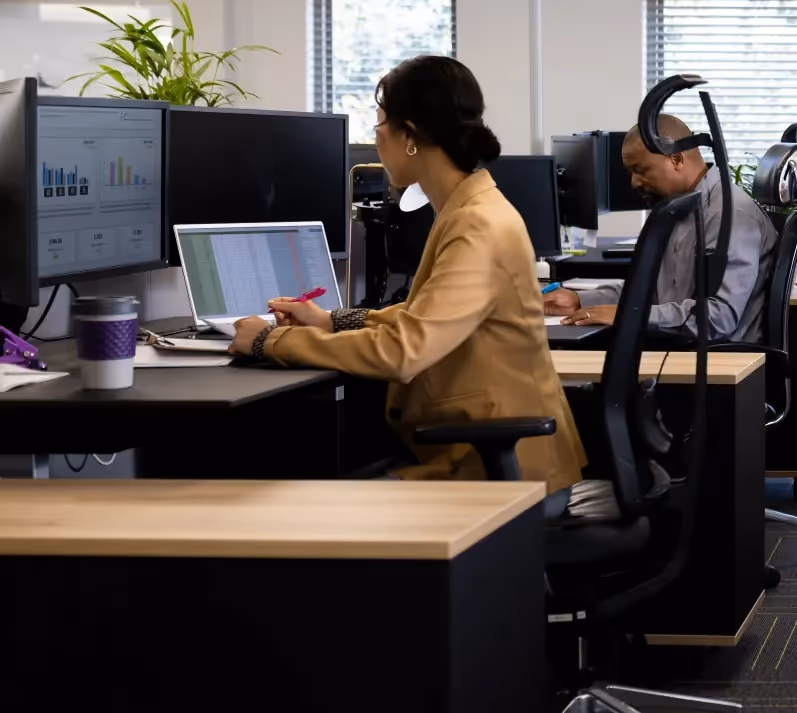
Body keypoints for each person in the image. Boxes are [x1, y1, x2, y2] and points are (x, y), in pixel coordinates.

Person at [229, 55, 586, 489]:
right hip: (493, 460)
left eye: (380, 126)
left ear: (411, 136)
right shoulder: (469, 209)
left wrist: (269, 340)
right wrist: (329, 321)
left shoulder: (477, 224)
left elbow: (405, 351)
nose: (376, 139)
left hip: (500, 475)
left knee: (302, 504)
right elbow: (427, 317)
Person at [544, 120, 777, 342]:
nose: (634, 182)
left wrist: (627, 315)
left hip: (717, 359)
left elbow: (719, 318)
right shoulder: (681, 209)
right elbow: (653, 292)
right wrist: (579, 300)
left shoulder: (729, 214)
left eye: (640, 170)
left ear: (676, 159)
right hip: (678, 345)